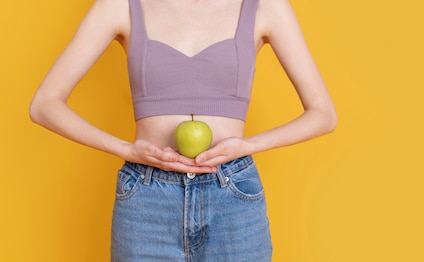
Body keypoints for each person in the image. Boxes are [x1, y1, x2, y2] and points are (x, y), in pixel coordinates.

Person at [29, 0, 337, 260]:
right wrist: (125, 149)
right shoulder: (121, 5)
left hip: (232, 194)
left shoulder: (264, 6)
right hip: (146, 197)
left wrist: (246, 145)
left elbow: (323, 114)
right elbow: (44, 105)